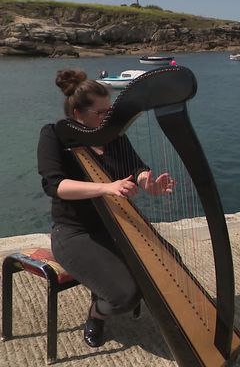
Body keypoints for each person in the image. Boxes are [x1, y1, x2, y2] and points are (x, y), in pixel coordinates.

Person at [37, 69, 176, 347]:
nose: (108, 118)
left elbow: (136, 168)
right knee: (124, 293)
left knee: (171, 263)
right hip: (74, 232)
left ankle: (106, 290)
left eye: (110, 112)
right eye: (101, 113)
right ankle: (97, 315)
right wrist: (106, 188)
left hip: (116, 225)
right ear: (78, 113)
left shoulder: (113, 136)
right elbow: (56, 186)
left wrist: (148, 183)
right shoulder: (54, 135)